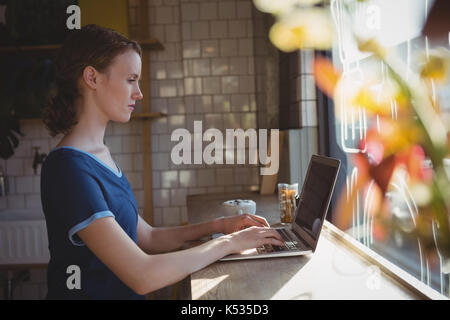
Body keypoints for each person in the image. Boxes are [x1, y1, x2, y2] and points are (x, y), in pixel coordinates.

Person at [40, 24, 284, 300]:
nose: (139, 93)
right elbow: (142, 275)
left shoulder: (99, 155)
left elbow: (149, 237)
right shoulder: (69, 169)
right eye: (131, 79)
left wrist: (221, 225)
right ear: (92, 78)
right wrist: (230, 243)